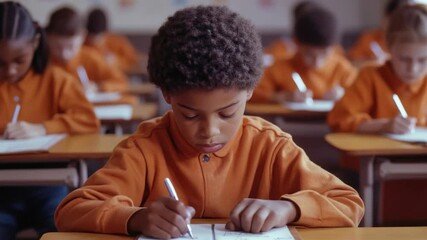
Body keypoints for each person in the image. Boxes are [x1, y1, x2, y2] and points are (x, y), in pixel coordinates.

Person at [55, 6, 364, 239]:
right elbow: (71, 210)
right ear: (167, 95)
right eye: (189, 114)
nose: (209, 131)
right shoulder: (145, 147)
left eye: (228, 113)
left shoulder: (270, 145)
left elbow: (348, 202)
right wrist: (135, 218)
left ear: (250, 91)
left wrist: (289, 208)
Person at [0, 2, 100, 239]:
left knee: (63, 228)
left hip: (49, 183)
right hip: (2, 188)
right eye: (0, 63)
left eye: (19, 60)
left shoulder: (56, 80)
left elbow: (88, 121)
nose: (11, 71)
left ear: (35, 44)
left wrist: (42, 128)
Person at [328, 4, 427, 225]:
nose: (414, 68)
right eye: (404, 59)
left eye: (423, 60)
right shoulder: (370, 76)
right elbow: (339, 119)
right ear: (389, 48)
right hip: (370, 170)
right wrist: (382, 126)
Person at [252, 7, 357, 103]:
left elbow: (361, 95)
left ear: (335, 47)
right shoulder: (281, 68)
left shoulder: (343, 69)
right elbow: (253, 92)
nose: (317, 62)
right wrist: (282, 97)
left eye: (324, 54)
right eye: (309, 54)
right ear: (296, 44)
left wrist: (344, 95)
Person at [45, 6, 129, 93]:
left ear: (83, 36)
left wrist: (98, 87)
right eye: (58, 47)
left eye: (71, 47)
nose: (64, 54)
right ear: (48, 38)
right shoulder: (41, 60)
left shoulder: (90, 58)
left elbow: (122, 83)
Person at [347, 0, 414, 67]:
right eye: (393, 21)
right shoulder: (368, 38)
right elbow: (351, 64)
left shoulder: (412, 44)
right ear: (385, 19)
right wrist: (371, 63)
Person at [84, 8, 140, 72]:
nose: (95, 41)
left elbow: (134, 62)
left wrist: (116, 61)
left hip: (116, 78)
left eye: (99, 36)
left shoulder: (117, 41)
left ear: (106, 32)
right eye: (92, 37)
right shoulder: (81, 43)